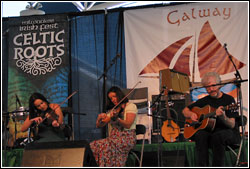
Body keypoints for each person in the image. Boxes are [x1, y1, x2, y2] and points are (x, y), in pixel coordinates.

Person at [182, 72, 241, 166]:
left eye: (213, 86)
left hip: (229, 133)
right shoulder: (204, 101)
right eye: (207, 87)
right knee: (200, 135)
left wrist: (223, 117)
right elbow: (185, 110)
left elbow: (232, 124)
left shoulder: (229, 100)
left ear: (220, 85)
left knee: (218, 136)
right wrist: (191, 114)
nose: (211, 89)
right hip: (211, 134)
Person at [90, 86, 138, 167]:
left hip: (127, 137)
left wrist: (117, 119)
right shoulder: (114, 110)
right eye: (111, 98)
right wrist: (99, 118)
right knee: (93, 145)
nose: (113, 100)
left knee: (105, 146)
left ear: (119, 95)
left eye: (114, 96)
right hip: (113, 138)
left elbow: (128, 124)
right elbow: (99, 125)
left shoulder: (130, 106)